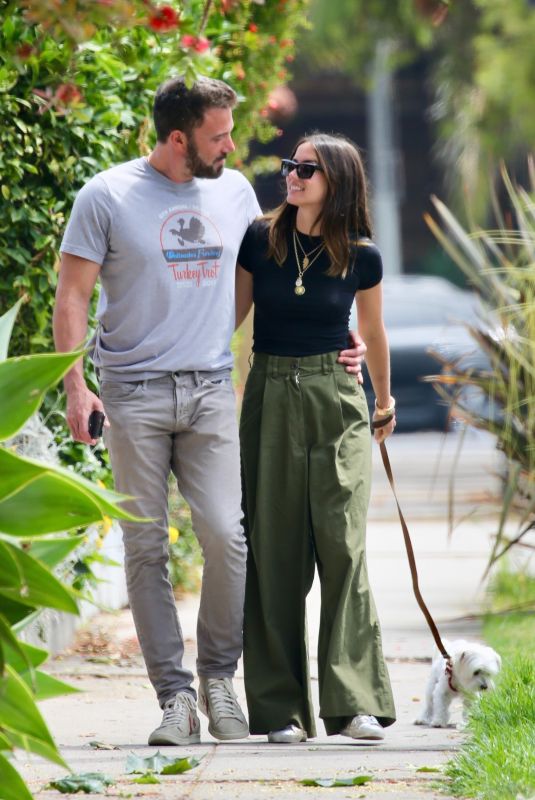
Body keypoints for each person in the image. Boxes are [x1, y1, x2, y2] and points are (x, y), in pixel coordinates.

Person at [53, 78, 365, 746]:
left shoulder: (232, 193)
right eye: (218, 136)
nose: (231, 145)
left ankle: (219, 681)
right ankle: (174, 697)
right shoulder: (106, 196)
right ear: (177, 139)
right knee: (145, 546)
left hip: (209, 389)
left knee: (227, 534)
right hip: (133, 391)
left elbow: (280, 277)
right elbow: (72, 296)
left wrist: (340, 332)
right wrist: (77, 389)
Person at [235, 132, 397, 744]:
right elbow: (233, 320)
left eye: (307, 168)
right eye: (290, 166)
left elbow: (373, 333)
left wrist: (383, 404)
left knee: (343, 545)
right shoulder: (261, 239)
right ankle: (279, 708)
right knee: (275, 550)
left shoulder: (363, 255)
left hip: (338, 397)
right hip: (271, 392)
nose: (292, 175)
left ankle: (352, 702)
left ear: (338, 181)